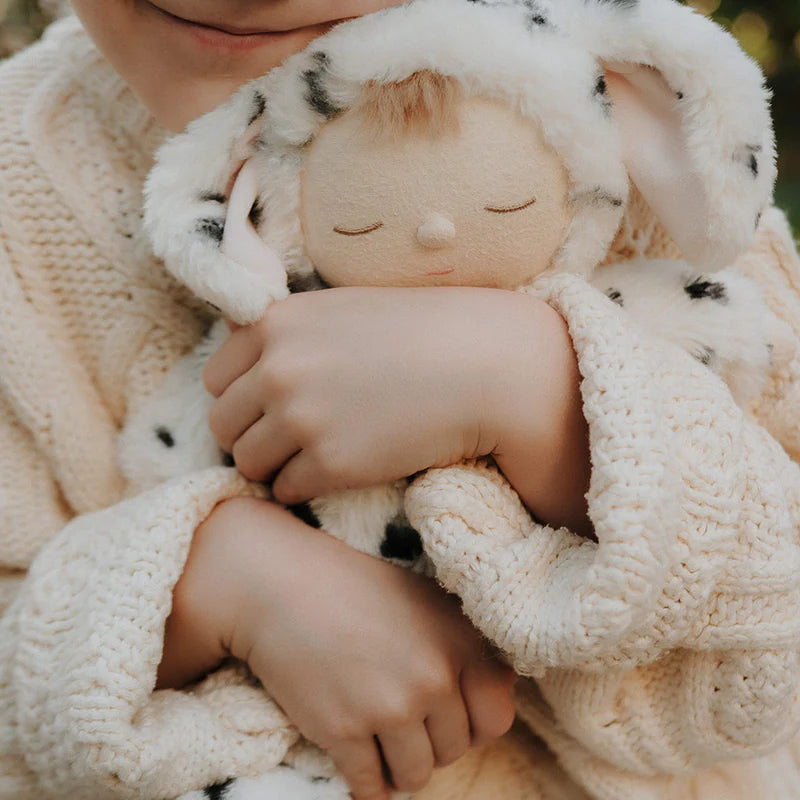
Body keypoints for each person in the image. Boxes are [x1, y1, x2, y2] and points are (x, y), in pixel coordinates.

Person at [0, 3, 798, 800]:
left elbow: (771, 653)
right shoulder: (14, 182)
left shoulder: (603, 105)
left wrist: (536, 392)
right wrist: (204, 581)